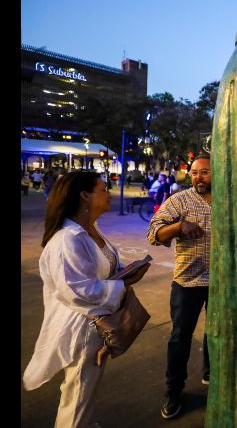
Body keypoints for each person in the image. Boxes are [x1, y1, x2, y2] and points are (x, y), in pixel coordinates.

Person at [23, 171, 150, 428]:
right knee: (78, 395)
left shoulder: (90, 229)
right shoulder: (67, 241)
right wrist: (122, 283)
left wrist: (125, 270)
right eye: (104, 189)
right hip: (81, 330)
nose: (110, 192)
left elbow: (101, 268)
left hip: (95, 326)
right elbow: (77, 290)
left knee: (82, 392)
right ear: (85, 196)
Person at [147, 156, 212, 420]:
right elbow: (153, 232)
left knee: (217, 333)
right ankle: (173, 391)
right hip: (187, 282)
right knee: (180, 338)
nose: (198, 177)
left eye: (205, 172)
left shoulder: (229, 200)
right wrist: (178, 227)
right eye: (194, 172)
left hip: (221, 283)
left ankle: (212, 376)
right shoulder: (180, 200)